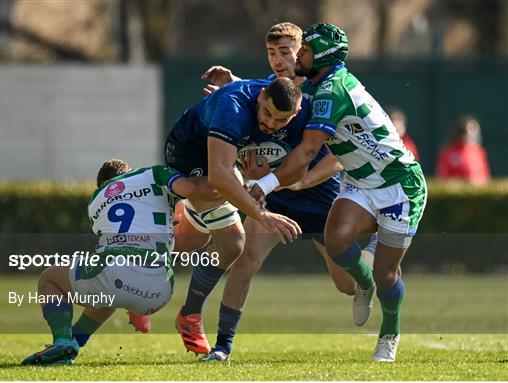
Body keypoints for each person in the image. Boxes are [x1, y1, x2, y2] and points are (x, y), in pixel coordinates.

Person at [193, 22, 376, 362]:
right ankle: (223, 347)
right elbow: (249, 94)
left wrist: (300, 182)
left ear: (303, 54)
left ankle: (368, 268)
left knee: (345, 284)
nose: (278, 60)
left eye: (286, 52)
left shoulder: (323, 94)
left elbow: (338, 157)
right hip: (274, 196)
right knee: (246, 259)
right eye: (271, 53)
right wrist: (229, 87)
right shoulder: (269, 91)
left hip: (321, 198)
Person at [250, 23, 427, 362]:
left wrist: (265, 185)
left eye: (305, 51)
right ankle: (365, 284)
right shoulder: (321, 84)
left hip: (398, 185)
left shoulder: (332, 90)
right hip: (362, 181)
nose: (299, 55)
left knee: (386, 273)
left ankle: (389, 333)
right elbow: (285, 93)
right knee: (336, 241)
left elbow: (305, 153)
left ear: (324, 56)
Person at [20, 159, 220, 365]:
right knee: (111, 288)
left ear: (103, 184)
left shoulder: (95, 201)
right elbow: (189, 190)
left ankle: (62, 340)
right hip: (159, 293)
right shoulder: (154, 174)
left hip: (115, 272)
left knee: (50, 279)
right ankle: (76, 340)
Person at [165, 77, 303, 354]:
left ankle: (152, 261)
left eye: (281, 121)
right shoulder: (233, 107)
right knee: (232, 242)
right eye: (267, 114)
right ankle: (180, 309)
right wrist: (264, 216)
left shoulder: (291, 106)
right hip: (189, 158)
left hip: (226, 162)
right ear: (261, 96)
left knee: (195, 240)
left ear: (296, 113)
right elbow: (219, 177)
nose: (271, 125)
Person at [436, 115, 490, 185]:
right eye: (467, 132)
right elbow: (442, 178)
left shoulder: (479, 151)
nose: (470, 135)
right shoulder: (448, 153)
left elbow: (486, 175)